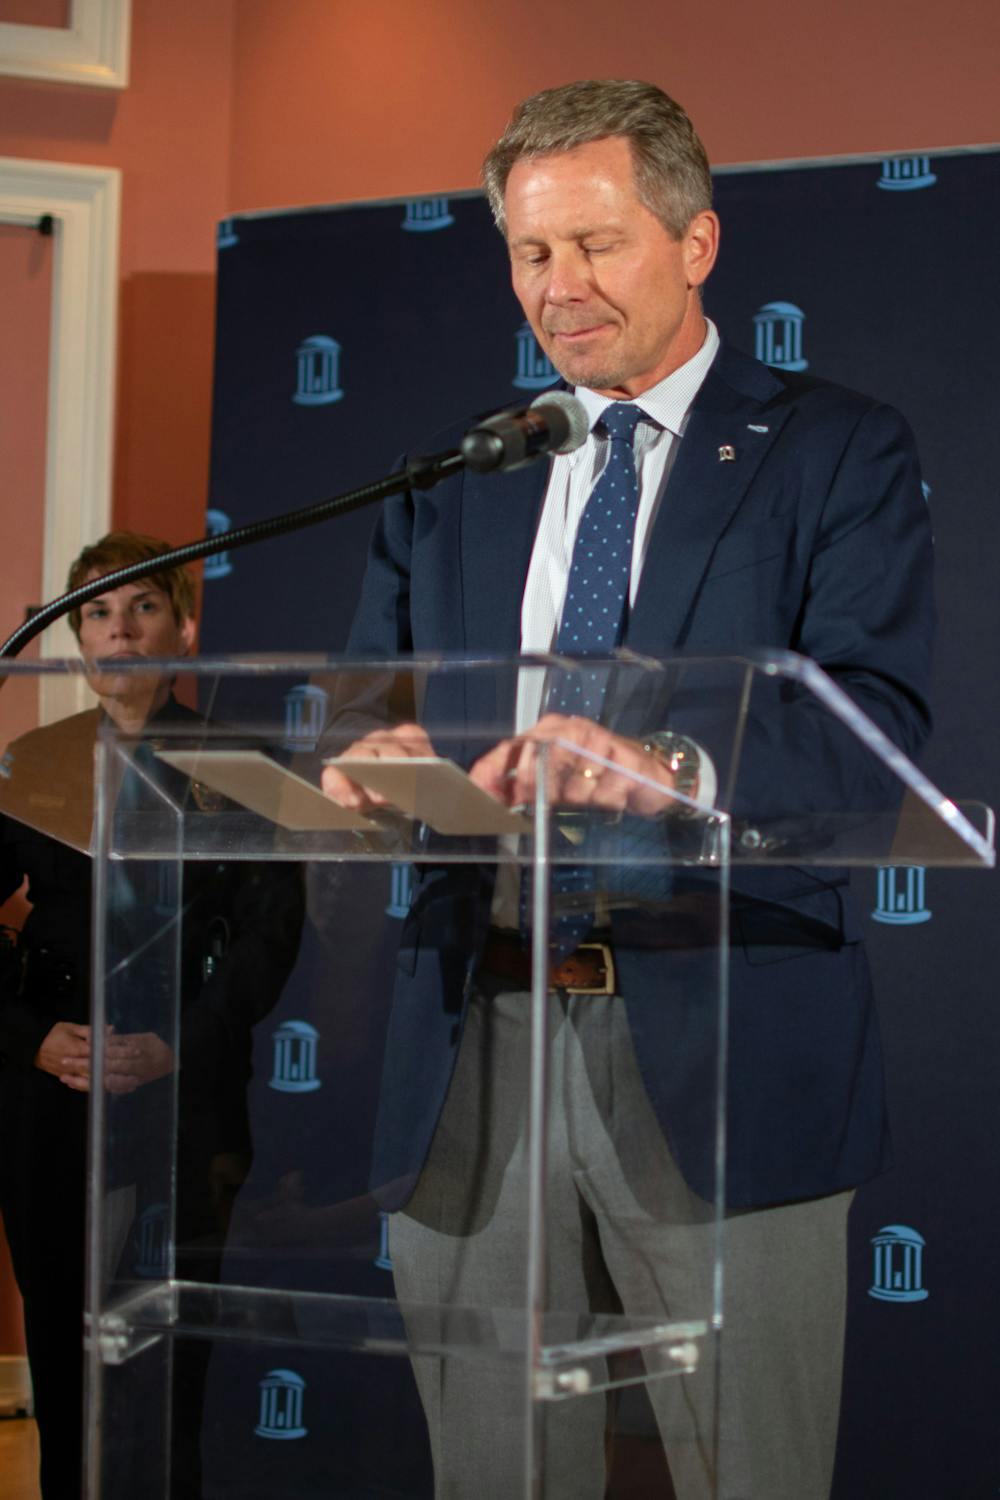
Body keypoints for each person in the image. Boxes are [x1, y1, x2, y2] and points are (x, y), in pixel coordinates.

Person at [321, 80, 934, 1499]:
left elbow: (877, 734)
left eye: (596, 244)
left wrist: (670, 771)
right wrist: (369, 755)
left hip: (723, 1043)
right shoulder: (461, 470)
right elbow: (362, 699)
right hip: (474, 1037)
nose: (561, 286)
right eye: (532, 253)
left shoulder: (834, 449)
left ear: (695, 242)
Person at [0, 532, 304, 1499]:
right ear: (74, 637)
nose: (119, 632)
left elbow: (271, 938)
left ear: (184, 628)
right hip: (53, 1095)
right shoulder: (31, 763)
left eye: (142, 608)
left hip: (185, 1098)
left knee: (172, 1368)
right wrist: (32, 1041)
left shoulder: (245, 764)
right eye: (96, 613)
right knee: (63, 1362)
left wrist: (178, 1044)